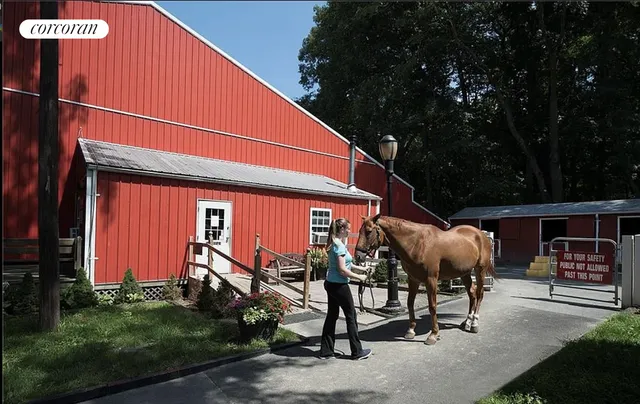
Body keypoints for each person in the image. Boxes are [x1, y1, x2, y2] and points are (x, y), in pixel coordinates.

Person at [318, 217, 372, 360]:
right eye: (348, 228)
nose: (349, 231)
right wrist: (359, 278)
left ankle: (326, 351)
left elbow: (346, 264)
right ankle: (357, 352)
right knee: (351, 316)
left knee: (332, 316)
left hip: (331, 284)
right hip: (340, 286)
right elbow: (342, 270)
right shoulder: (339, 246)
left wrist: (362, 268)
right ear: (341, 229)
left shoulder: (333, 243)